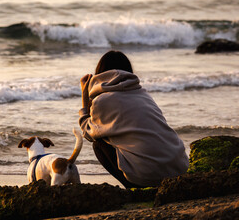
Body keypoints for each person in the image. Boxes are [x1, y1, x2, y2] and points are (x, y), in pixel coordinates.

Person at [79, 50, 189, 188]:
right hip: (179, 168)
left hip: (151, 176)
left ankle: (134, 189)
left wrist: (85, 95)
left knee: (99, 143)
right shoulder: (143, 94)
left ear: (99, 74)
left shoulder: (103, 101)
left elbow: (88, 133)